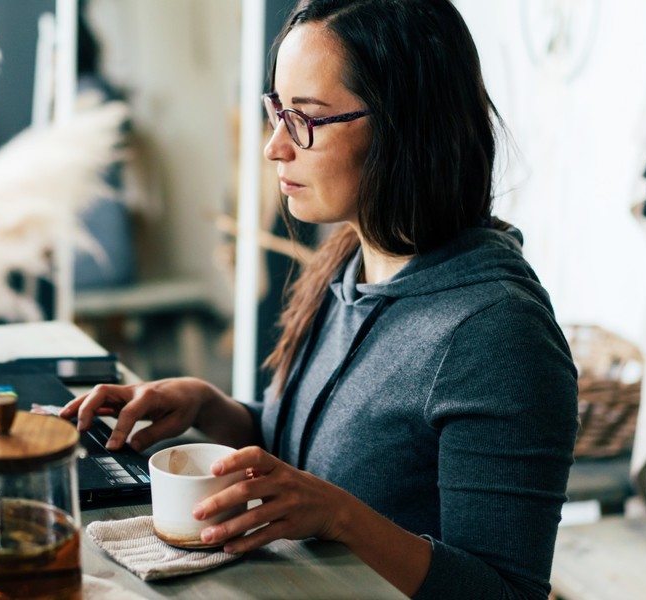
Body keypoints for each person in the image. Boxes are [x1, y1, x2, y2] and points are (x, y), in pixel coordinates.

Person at [61, 1, 578, 598]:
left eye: (305, 118)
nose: (275, 147)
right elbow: (316, 456)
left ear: (404, 125)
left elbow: (507, 592)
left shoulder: (498, 335)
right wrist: (209, 407)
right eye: (276, 111)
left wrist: (342, 517)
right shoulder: (353, 260)